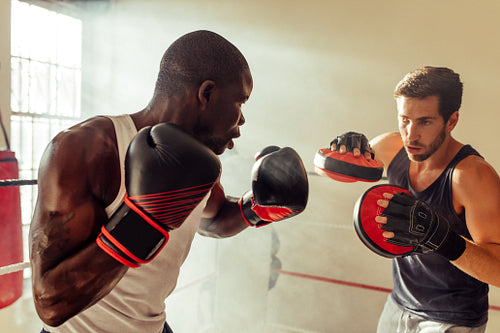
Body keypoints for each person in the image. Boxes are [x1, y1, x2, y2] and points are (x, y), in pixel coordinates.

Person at [29, 30, 308, 333]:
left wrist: (258, 208)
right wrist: (142, 223)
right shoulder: (88, 148)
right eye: (240, 103)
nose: (241, 121)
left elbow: (212, 221)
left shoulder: (194, 162)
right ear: (207, 93)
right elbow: (49, 302)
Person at [331, 66, 500, 332]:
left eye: (425, 121)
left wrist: (441, 238)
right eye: (405, 119)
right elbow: (335, 170)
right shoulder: (392, 148)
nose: (411, 134)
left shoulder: (471, 176)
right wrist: (342, 146)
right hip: (398, 306)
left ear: (452, 121)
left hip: (450, 321)